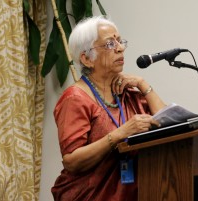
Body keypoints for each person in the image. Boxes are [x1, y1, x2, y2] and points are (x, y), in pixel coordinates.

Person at [51, 16, 166, 201]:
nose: (120, 48)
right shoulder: (75, 98)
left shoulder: (125, 91)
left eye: (120, 42)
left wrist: (143, 84)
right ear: (87, 58)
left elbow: (168, 123)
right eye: (110, 44)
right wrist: (121, 134)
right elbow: (72, 161)